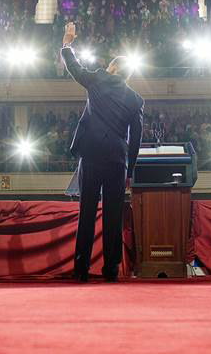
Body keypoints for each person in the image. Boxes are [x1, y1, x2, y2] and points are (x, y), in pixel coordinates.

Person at [60, 21, 143, 282]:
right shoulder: (135, 99)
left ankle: (81, 269)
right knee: (112, 216)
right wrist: (130, 169)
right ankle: (111, 271)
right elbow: (136, 138)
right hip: (117, 160)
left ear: (114, 68)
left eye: (110, 64)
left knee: (86, 213)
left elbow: (74, 68)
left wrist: (67, 44)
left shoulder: (97, 79)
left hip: (92, 155)